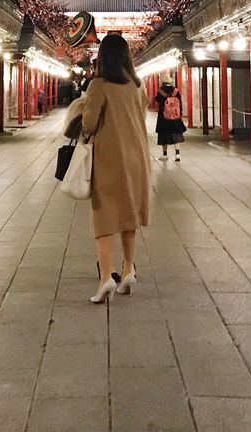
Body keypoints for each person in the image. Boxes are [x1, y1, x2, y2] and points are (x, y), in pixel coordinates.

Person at [79, 33, 151, 304]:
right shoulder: (136, 85)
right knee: (129, 215)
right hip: (137, 158)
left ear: (102, 59)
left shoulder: (98, 85)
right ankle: (128, 269)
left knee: (105, 218)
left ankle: (105, 278)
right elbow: (140, 114)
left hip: (110, 158)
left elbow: (89, 123)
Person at [152, 80, 186, 162]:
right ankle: (177, 154)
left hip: (163, 118)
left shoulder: (160, 91)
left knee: (163, 134)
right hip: (175, 117)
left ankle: (165, 154)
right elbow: (180, 104)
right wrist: (179, 114)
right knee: (176, 134)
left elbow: (156, 104)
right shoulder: (176, 91)